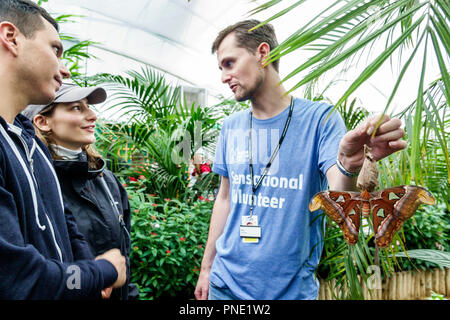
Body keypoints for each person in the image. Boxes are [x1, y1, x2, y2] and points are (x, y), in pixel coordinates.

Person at [194, 19, 407, 300]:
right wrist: (207, 268)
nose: (223, 77)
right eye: (221, 68)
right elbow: (224, 198)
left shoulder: (320, 120)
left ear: (262, 53)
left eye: (229, 63)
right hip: (225, 287)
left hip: (289, 292)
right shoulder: (231, 127)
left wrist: (350, 164)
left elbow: (340, 193)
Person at [0, 0, 126, 299]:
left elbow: (65, 222)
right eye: (55, 49)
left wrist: (88, 275)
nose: (65, 69)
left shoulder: (27, 141)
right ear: (10, 37)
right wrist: (103, 271)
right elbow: (21, 282)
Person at [22, 83, 139, 300]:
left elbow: (123, 257)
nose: (93, 115)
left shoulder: (106, 180)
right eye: (77, 108)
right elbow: (34, 272)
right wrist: (92, 283)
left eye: (89, 107)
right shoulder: (32, 184)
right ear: (42, 121)